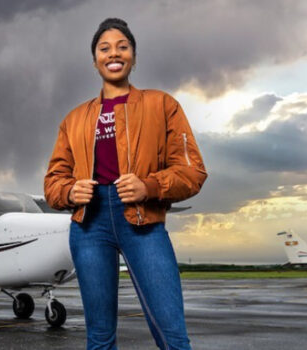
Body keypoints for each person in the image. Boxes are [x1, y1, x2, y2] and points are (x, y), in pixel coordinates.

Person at [43, 18, 207, 350]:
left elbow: (193, 171)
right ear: (95, 60)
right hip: (89, 225)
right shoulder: (74, 119)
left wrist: (149, 187)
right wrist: (69, 192)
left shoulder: (162, 105)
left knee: (173, 335)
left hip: (143, 221)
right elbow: (53, 182)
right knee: (99, 338)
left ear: (133, 56)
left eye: (122, 46)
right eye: (104, 48)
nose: (113, 53)